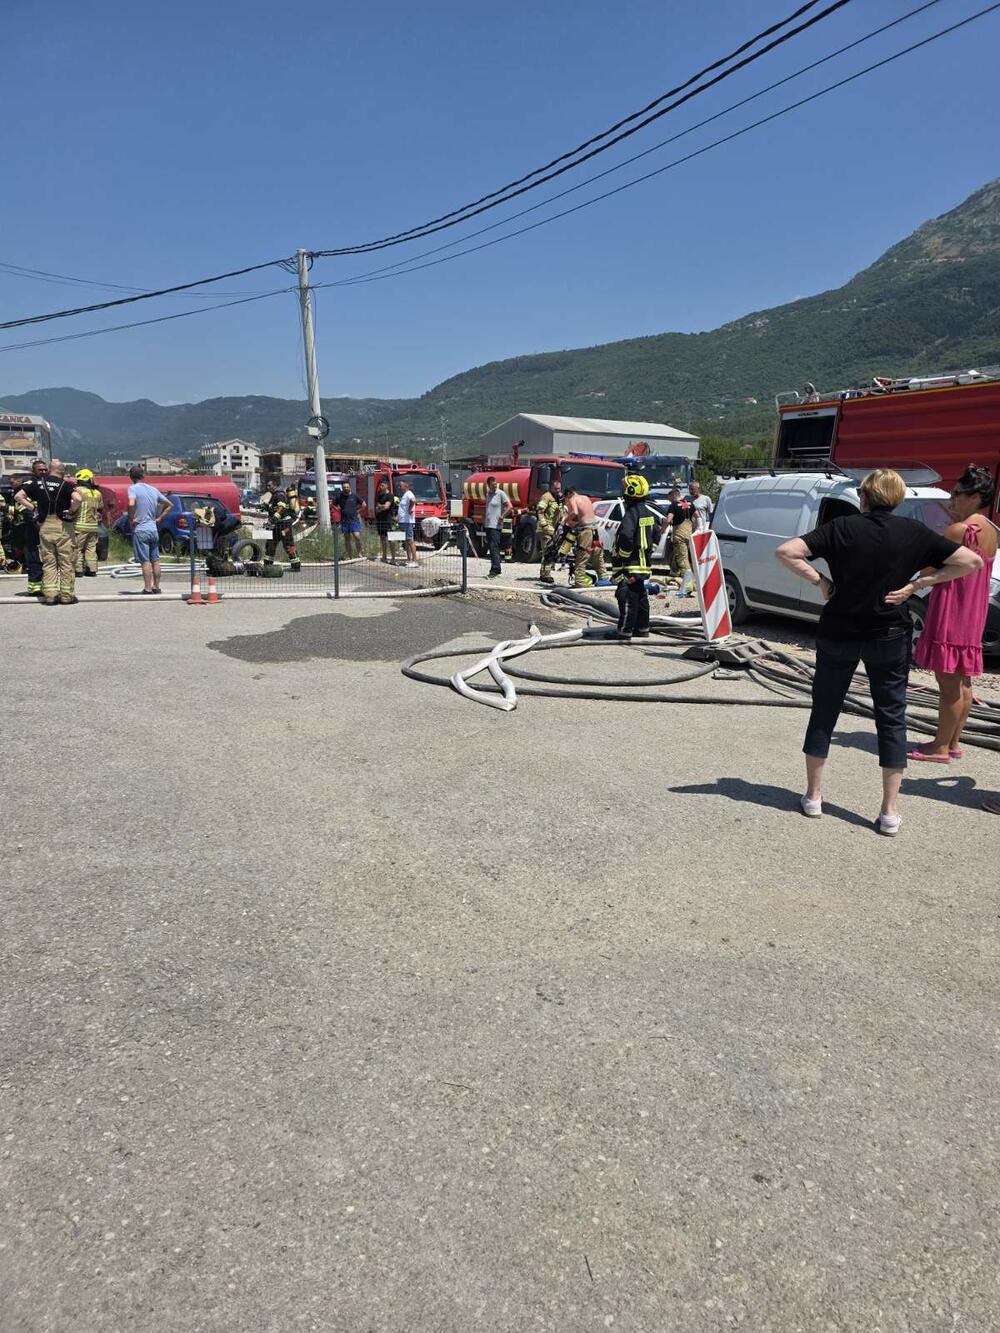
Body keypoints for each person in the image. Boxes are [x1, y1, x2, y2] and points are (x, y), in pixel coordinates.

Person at [775, 468, 983, 835]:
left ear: (865, 496)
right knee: (891, 715)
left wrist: (822, 582)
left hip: (839, 629)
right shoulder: (915, 533)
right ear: (899, 499)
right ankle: (889, 811)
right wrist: (918, 584)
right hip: (890, 632)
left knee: (825, 708)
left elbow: (787, 551)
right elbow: (971, 562)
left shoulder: (842, 528)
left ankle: (813, 796)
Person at [904, 465, 997, 762]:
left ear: (974, 497)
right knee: (964, 681)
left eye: (957, 493)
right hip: (974, 610)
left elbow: (927, 569)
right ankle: (953, 742)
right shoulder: (992, 531)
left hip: (952, 607)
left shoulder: (959, 530)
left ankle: (940, 746)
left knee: (948, 683)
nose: (952, 499)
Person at [15, 458, 83, 605]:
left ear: (50, 470)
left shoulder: (37, 483)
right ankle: (66, 596)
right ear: (62, 471)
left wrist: (34, 509)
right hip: (63, 526)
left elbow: (18, 496)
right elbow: (78, 498)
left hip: (45, 526)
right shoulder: (66, 485)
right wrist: (70, 511)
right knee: (66, 562)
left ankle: (51, 596)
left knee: (49, 562)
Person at [611, 474, 662, 640]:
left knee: (626, 597)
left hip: (630, 565)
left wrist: (623, 556)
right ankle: (642, 629)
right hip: (643, 565)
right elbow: (656, 534)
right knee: (640, 597)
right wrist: (648, 552)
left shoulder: (631, 513)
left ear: (630, 491)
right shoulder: (648, 513)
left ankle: (624, 631)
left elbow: (626, 537)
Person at [127, 466, 172, 594]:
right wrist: (159, 518)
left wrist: (131, 518)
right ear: (143, 475)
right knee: (155, 560)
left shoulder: (132, 489)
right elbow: (169, 504)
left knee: (145, 561)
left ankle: (147, 588)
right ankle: (157, 587)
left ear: (131, 477)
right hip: (153, 529)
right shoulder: (153, 489)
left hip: (140, 529)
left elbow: (131, 504)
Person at [562, 486, 606, 588]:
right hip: (595, 528)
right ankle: (603, 578)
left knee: (582, 555)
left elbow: (575, 512)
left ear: (568, 494)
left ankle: (580, 582)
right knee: (597, 554)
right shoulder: (586, 498)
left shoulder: (573, 498)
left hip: (586, 531)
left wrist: (565, 520)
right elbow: (585, 514)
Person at [16, 457, 48, 597]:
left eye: (45, 469)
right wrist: (35, 511)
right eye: (40, 469)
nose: (43, 471)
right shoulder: (30, 483)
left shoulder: (47, 483)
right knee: (34, 555)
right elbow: (20, 500)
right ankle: (34, 586)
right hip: (33, 524)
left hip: (47, 523)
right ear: (33, 471)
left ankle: (47, 584)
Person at [260, 479, 302, 573]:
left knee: (288, 545)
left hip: (284, 525)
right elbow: (274, 507)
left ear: (274, 486)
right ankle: (268, 565)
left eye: (269, 485)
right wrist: (266, 507)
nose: (267, 487)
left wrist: (274, 517)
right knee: (271, 544)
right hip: (276, 525)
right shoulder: (273, 496)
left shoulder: (279, 495)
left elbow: (281, 508)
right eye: (267, 486)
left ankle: (296, 565)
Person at [662, 487, 697, 596]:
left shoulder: (673, 505)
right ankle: (675, 576)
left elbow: (668, 519)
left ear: (673, 496)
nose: (669, 501)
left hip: (679, 536)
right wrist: (695, 529)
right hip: (689, 534)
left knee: (683, 560)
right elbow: (697, 517)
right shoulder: (690, 503)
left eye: (669, 499)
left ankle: (688, 586)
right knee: (685, 557)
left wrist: (663, 529)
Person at [72, 469, 104, 577]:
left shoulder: (77, 491)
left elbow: (73, 505)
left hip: (79, 525)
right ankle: (92, 569)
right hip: (93, 526)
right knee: (91, 548)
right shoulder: (97, 493)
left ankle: (78, 570)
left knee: (77, 548)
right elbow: (100, 508)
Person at [535, 479, 564, 584]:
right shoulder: (546, 497)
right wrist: (544, 525)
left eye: (559, 489)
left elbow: (560, 512)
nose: (558, 491)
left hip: (554, 529)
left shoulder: (558, 498)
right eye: (556, 489)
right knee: (548, 551)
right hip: (546, 529)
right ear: (551, 488)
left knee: (550, 551)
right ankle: (546, 575)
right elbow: (540, 511)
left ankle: (544, 573)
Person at [483, 475, 512, 578]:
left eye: (496, 484)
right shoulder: (488, 495)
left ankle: (495, 569)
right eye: (493, 485)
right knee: (491, 547)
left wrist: (502, 516)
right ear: (488, 485)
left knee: (494, 547)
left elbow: (509, 506)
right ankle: (496, 568)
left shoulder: (500, 494)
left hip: (496, 526)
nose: (495, 486)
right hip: (488, 525)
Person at [337, 480, 366, 559]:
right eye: (344, 487)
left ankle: (359, 553)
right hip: (344, 520)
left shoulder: (354, 496)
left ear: (350, 487)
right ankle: (349, 556)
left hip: (354, 520)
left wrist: (358, 511)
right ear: (342, 488)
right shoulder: (339, 497)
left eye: (347, 487)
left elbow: (364, 504)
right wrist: (338, 511)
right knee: (347, 538)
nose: (346, 488)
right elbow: (332, 505)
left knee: (357, 536)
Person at [397, 479, 419, 569]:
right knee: (406, 541)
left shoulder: (409, 494)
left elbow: (413, 500)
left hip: (407, 521)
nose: (399, 487)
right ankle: (409, 559)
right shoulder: (404, 495)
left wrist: (410, 509)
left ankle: (414, 560)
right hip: (403, 521)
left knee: (410, 540)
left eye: (401, 485)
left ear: (406, 486)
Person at [373, 479, 396, 562]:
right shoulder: (380, 495)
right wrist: (381, 507)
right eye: (380, 485)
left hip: (388, 520)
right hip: (380, 520)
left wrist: (381, 507)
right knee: (382, 538)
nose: (380, 487)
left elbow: (387, 506)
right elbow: (377, 507)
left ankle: (393, 558)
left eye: (382, 485)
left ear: (387, 486)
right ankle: (384, 556)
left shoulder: (390, 495)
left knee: (390, 539)